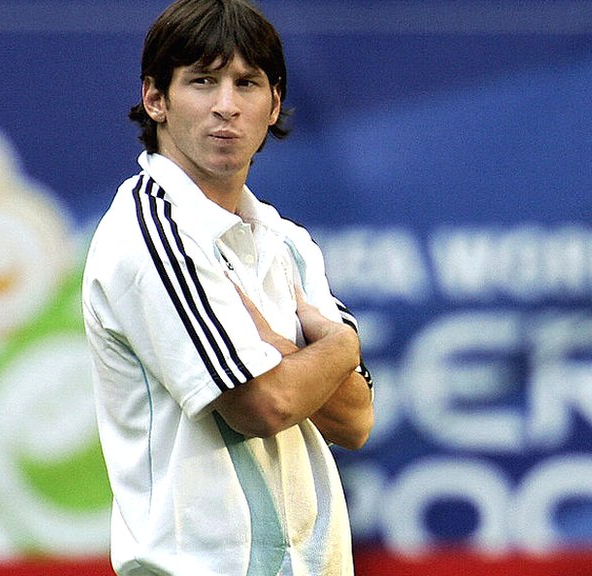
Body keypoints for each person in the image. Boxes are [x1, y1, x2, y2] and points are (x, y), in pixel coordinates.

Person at [81, 1, 374, 574]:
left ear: (274, 105)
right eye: (202, 81)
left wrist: (281, 352)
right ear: (155, 99)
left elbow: (356, 419)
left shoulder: (288, 241)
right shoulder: (148, 231)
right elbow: (263, 404)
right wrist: (337, 347)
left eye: (247, 83)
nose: (225, 106)